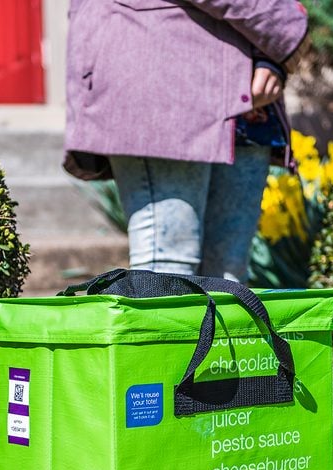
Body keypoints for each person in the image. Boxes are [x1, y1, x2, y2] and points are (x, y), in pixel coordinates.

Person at [63, 0, 309, 282]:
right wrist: (284, 20)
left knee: (228, 275)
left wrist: (270, 57)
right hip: (163, 72)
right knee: (168, 270)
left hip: (247, 99)